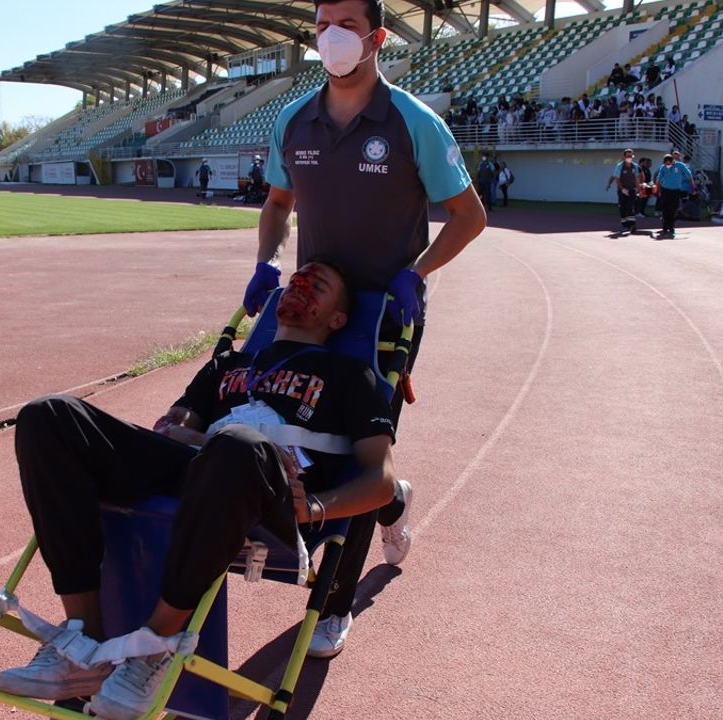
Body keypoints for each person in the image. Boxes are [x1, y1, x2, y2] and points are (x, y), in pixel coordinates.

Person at [0, 260, 397, 718]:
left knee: (237, 445)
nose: (301, 285)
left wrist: (316, 509)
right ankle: (81, 642)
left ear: (337, 319)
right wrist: (177, 428)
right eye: (296, 279)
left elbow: (380, 480)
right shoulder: (228, 363)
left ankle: (154, 649)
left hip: (270, 490)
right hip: (202, 466)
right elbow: (179, 422)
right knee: (48, 417)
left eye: (318, 285)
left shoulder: (350, 375)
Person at [243, 0, 486, 659]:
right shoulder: (294, 121)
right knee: (299, 437)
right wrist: (266, 261)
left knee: (359, 452)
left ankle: (333, 602)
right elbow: (277, 203)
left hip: (385, 318)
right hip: (310, 312)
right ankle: (393, 501)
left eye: (347, 23)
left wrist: (419, 272)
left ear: (376, 36)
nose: (332, 35)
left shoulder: (414, 124)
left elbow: (469, 215)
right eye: (323, 22)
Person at [654, 153, 693, 238]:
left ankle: (671, 225)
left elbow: (688, 174)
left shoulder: (680, 165)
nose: (667, 165)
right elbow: (659, 179)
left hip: (676, 190)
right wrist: (657, 189)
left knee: (673, 208)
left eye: (669, 163)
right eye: (666, 163)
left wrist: (692, 184)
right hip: (665, 190)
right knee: (665, 209)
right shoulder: (663, 167)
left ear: (672, 161)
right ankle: (665, 227)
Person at [606, 149, 642, 233]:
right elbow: (617, 179)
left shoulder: (635, 166)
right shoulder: (619, 166)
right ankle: (624, 223)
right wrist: (622, 188)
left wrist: (639, 190)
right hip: (622, 189)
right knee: (623, 207)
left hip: (631, 189)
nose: (629, 157)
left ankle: (632, 224)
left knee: (630, 206)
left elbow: (637, 179)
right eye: (627, 156)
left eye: (631, 156)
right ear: (624, 156)